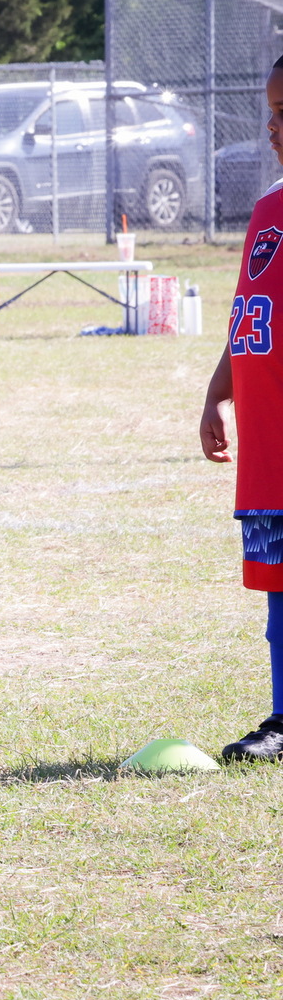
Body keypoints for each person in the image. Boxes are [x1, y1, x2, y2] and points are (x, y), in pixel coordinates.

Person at [204, 55, 283, 762]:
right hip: (266, 451)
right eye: (272, 114)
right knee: (278, 589)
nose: (274, 127)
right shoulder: (267, 211)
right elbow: (248, 317)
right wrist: (217, 392)